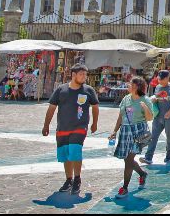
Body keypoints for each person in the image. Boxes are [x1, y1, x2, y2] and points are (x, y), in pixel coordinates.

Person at [42, 64, 100, 196]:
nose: (84, 77)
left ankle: (77, 179)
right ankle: (69, 180)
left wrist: (94, 123)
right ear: (73, 75)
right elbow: (51, 108)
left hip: (80, 127)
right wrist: (46, 125)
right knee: (65, 154)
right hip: (62, 128)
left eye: (85, 75)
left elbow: (95, 107)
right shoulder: (61, 90)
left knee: (75, 151)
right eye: (81, 74)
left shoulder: (89, 90)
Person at [109, 77, 154, 199]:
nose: (129, 86)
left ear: (137, 87)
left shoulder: (145, 100)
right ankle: (142, 174)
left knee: (129, 160)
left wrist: (145, 107)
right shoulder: (126, 99)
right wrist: (114, 131)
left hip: (138, 132)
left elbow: (150, 118)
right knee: (127, 160)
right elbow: (121, 116)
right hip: (125, 131)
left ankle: (125, 188)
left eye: (131, 84)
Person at [141, 70, 170, 165]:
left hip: (169, 118)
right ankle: (148, 157)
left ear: (167, 78)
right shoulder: (157, 87)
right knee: (153, 137)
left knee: (169, 137)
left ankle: (169, 156)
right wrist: (153, 100)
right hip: (158, 117)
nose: (160, 81)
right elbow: (156, 98)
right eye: (159, 79)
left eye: (162, 79)